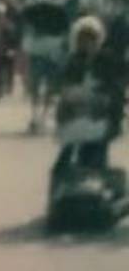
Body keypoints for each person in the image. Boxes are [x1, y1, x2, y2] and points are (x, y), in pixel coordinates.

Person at [54, 14, 125, 174]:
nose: (87, 43)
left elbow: (117, 89)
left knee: (97, 157)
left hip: (102, 118)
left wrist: (105, 100)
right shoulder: (72, 62)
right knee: (63, 162)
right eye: (83, 39)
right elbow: (63, 87)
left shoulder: (108, 60)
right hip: (75, 117)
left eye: (91, 39)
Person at [21, 0, 71, 133]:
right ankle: (39, 117)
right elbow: (65, 33)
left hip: (40, 50)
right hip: (50, 51)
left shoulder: (39, 8)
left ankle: (38, 117)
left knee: (39, 84)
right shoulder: (60, 11)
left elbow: (25, 18)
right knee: (48, 85)